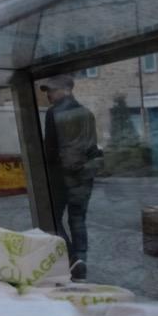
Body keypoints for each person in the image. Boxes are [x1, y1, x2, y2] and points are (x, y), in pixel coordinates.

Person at [40, 74, 99, 280]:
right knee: (78, 218)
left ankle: (73, 259)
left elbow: (49, 149)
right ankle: (82, 260)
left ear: (66, 89)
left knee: (52, 219)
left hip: (61, 176)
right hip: (85, 175)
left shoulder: (54, 113)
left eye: (51, 90)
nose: (48, 94)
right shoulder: (87, 113)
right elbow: (92, 147)